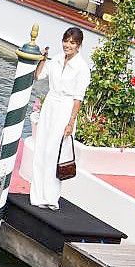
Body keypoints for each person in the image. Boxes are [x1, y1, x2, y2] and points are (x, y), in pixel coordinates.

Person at [31, 27, 91, 210]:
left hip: (65, 109)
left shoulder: (82, 68)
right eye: (66, 41)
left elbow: (78, 98)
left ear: (79, 45)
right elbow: (38, 76)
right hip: (50, 104)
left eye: (72, 42)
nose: (68, 45)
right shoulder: (56, 60)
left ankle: (51, 197)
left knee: (53, 153)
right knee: (41, 148)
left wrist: (71, 122)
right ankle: (37, 196)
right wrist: (42, 59)